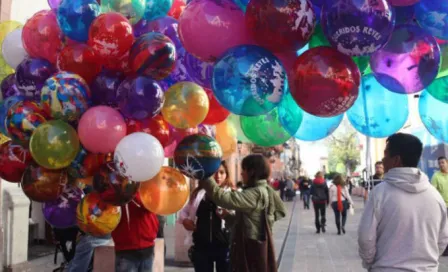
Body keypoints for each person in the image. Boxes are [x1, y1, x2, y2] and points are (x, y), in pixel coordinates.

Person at [358, 133, 448, 271]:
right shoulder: (435, 196)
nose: (382, 159)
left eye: (385, 154)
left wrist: (374, 264)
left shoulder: (379, 194)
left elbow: (366, 238)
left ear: (396, 160)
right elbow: (442, 240)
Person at [199, 154, 286, 272]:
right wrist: (228, 217)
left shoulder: (256, 193)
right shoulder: (263, 189)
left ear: (252, 172)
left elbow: (222, 198)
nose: (241, 173)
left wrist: (206, 174)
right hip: (248, 247)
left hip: (249, 250)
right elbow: (250, 220)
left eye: (244, 169)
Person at [178, 161, 234, 272]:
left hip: (224, 245)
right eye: (215, 173)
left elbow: (238, 217)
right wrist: (185, 220)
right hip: (201, 246)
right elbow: (183, 212)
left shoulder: (231, 194)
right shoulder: (198, 194)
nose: (218, 176)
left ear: (226, 175)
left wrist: (227, 215)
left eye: (222, 173)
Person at [112, 193, 159, 272]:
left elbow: (152, 205)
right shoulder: (115, 186)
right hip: (126, 249)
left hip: (147, 248)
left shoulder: (148, 186)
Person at [432, 156, 448, 256]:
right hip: (444, 206)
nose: (441, 164)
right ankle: (445, 250)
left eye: (443, 162)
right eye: (439, 163)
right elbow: (433, 192)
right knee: (445, 229)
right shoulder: (436, 176)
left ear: (447, 163)